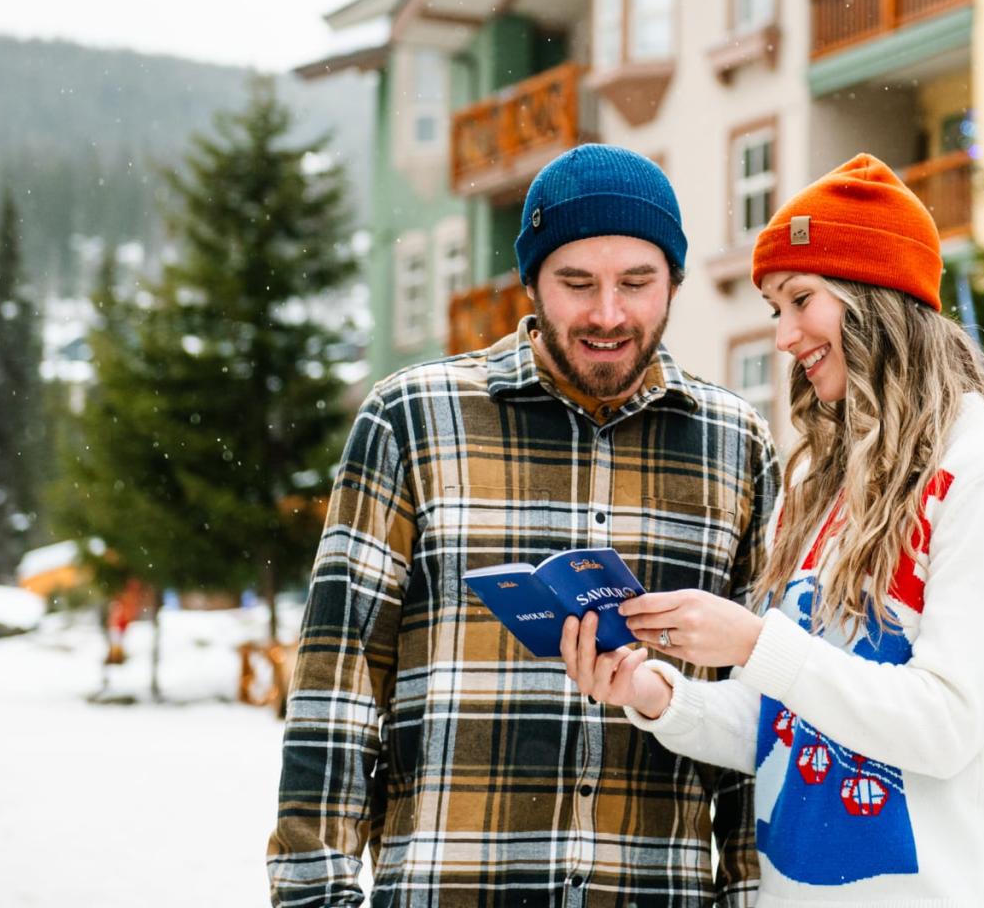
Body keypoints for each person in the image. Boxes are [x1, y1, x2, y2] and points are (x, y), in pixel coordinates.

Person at [268, 144, 780, 907]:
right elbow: (336, 690)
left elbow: (758, 716)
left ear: (673, 282)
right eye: (577, 283)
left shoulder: (736, 446)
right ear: (532, 282)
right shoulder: (413, 421)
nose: (608, 314)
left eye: (637, 283)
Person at [562, 153, 984, 906]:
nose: (784, 335)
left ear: (878, 297)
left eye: (801, 299)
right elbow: (791, 730)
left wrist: (754, 642)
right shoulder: (836, 490)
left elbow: (944, 727)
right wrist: (655, 693)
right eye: (775, 308)